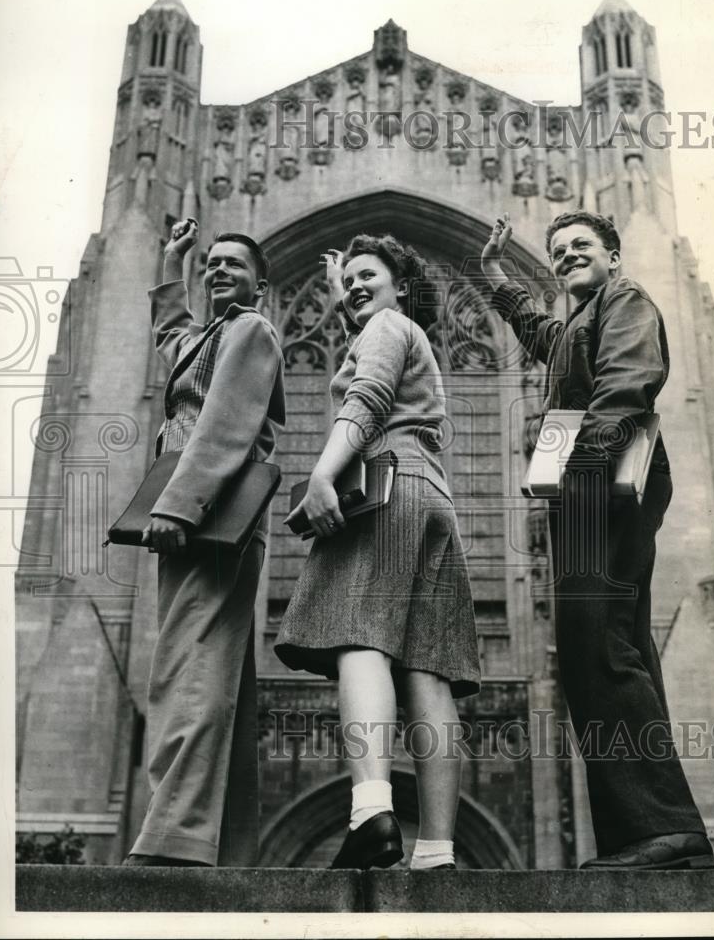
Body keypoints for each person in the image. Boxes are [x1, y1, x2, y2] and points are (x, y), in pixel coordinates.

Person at [480, 210, 714, 870]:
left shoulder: (625, 298)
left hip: (603, 474)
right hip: (587, 481)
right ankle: (647, 833)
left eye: (581, 247)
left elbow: (626, 385)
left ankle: (662, 826)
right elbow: (536, 330)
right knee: (606, 650)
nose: (566, 257)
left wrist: (579, 470)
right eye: (557, 252)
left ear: (614, 256)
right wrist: (498, 275)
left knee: (600, 647)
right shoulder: (574, 325)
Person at [274, 235, 480, 871]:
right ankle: (437, 849)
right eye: (352, 278)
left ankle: (372, 814)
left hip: (385, 487)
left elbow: (366, 400)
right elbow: (366, 339)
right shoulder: (398, 326)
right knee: (427, 667)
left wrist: (321, 475)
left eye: (371, 275)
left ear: (399, 288)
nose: (358, 286)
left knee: (361, 640)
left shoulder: (388, 326)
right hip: (429, 497)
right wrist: (345, 298)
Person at [124, 218, 286, 867]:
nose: (218, 270)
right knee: (210, 668)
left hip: (211, 513)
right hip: (193, 514)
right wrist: (171, 261)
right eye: (212, 263)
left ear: (260, 284)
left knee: (189, 671)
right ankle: (218, 843)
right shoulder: (208, 336)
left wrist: (180, 507)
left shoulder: (253, 330)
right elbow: (172, 338)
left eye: (233, 265)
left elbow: (226, 425)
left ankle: (172, 836)